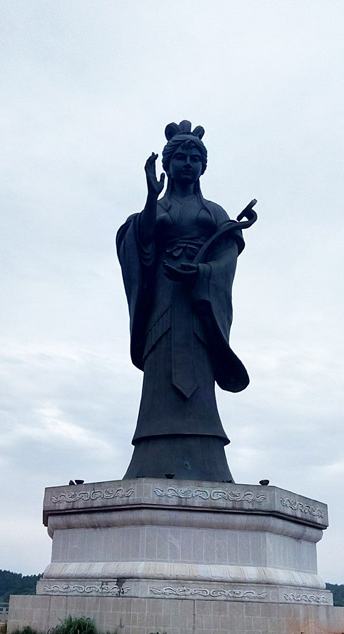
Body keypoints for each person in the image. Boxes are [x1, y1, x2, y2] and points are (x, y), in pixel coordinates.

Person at [117, 120, 256, 482]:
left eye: (195, 158)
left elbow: (227, 254)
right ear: (167, 163)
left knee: (198, 367)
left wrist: (201, 273)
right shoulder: (156, 208)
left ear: (202, 166)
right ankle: (152, 452)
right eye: (181, 157)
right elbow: (140, 241)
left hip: (199, 301)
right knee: (160, 367)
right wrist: (150, 199)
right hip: (163, 296)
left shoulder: (214, 212)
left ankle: (206, 454)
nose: (188, 164)